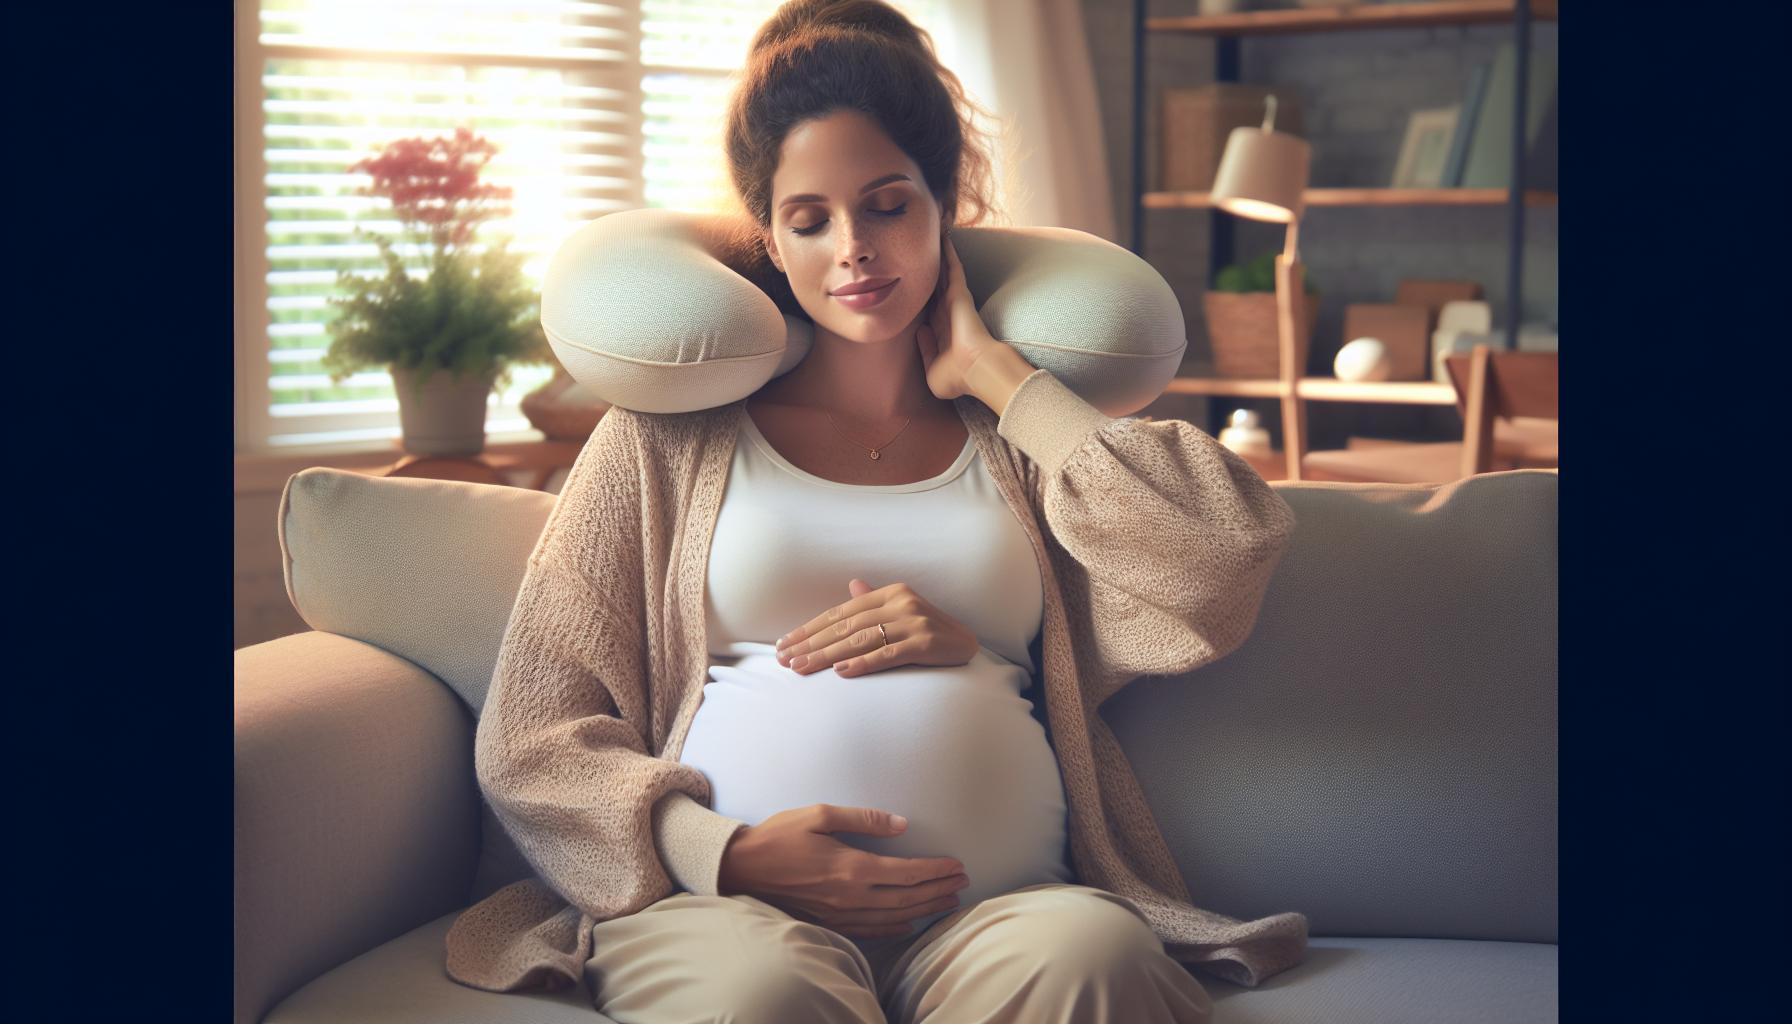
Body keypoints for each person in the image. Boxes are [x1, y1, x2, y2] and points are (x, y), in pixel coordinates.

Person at [443, 2, 1309, 1020]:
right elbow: (532, 734)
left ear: (945, 205)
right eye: (809, 219)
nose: (853, 246)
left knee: (1093, 958)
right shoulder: (667, 436)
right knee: (752, 999)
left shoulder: (1019, 440)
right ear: (769, 237)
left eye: (888, 204)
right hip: (729, 912)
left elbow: (1218, 560)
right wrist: (725, 850)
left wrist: (1001, 381)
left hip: (1007, 914)